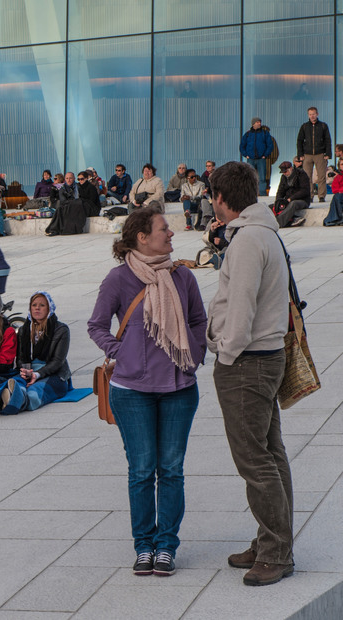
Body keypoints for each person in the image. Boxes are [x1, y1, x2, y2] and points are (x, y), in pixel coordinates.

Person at [88, 208, 207, 579]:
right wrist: (120, 351)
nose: (171, 233)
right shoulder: (119, 279)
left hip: (178, 388)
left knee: (171, 470)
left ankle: (166, 546)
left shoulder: (182, 276)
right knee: (141, 471)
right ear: (141, 236)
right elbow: (96, 325)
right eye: (163, 229)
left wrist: (194, 353)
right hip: (132, 391)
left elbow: (198, 320)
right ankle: (144, 546)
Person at [206, 161, 294, 587]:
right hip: (266, 357)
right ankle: (270, 541)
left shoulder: (245, 243)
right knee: (270, 454)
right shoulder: (265, 232)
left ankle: (276, 552)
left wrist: (225, 353)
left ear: (222, 198)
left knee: (256, 461)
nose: (211, 203)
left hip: (247, 363)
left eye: (212, 196)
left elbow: (239, 312)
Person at [2, 292, 71, 414]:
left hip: (53, 373)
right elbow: (21, 357)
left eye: (42, 305)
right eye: (34, 305)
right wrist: (26, 371)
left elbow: (58, 361)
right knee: (15, 382)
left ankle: (22, 401)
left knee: (38, 389)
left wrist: (37, 374)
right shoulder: (24, 330)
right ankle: (12, 396)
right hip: (30, 370)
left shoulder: (61, 330)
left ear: (49, 308)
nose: (37, 308)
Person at [297, 106, 332, 202]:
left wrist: (328, 153)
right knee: (307, 176)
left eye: (313, 114)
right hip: (307, 154)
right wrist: (300, 154)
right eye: (310, 114)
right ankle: (309, 195)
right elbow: (299, 141)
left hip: (320, 154)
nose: (312, 116)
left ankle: (321, 196)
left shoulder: (323, 126)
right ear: (308, 115)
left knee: (321, 176)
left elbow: (328, 140)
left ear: (317, 114)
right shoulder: (304, 126)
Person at [271, 160, 310, 228]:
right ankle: (271, 221)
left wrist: (291, 199)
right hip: (288, 200)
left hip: (302, 200)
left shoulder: (301, 174)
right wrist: (277, 201)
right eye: (283, 172)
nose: (284, 174)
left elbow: (305, 190)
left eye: (285, 172)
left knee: (293, 204)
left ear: (291, 168)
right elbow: (280, 191)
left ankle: (279, 222)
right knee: (272, 206)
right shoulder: (284, 177)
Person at [240, 117, 273, 196]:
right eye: (257, 122)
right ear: (253, 124)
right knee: (250, 178)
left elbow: (270, 145)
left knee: (262, 178)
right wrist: (245, 154)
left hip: (261, 159)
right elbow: (242, 146)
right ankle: (250, 194)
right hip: (250, 159)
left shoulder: (265, 133)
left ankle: (262, 194)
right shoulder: (247, 134)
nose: (259, 123)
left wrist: (265, 155)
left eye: (260, 122)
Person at [324, 144, 343, 226]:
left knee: (338, 197)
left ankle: (338, 218)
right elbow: (334, 188)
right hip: (340, 194)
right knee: (337, 197)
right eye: (342, 165)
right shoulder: (338, 176)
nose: (335, 153)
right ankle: (336, 218)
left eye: (337, 151)